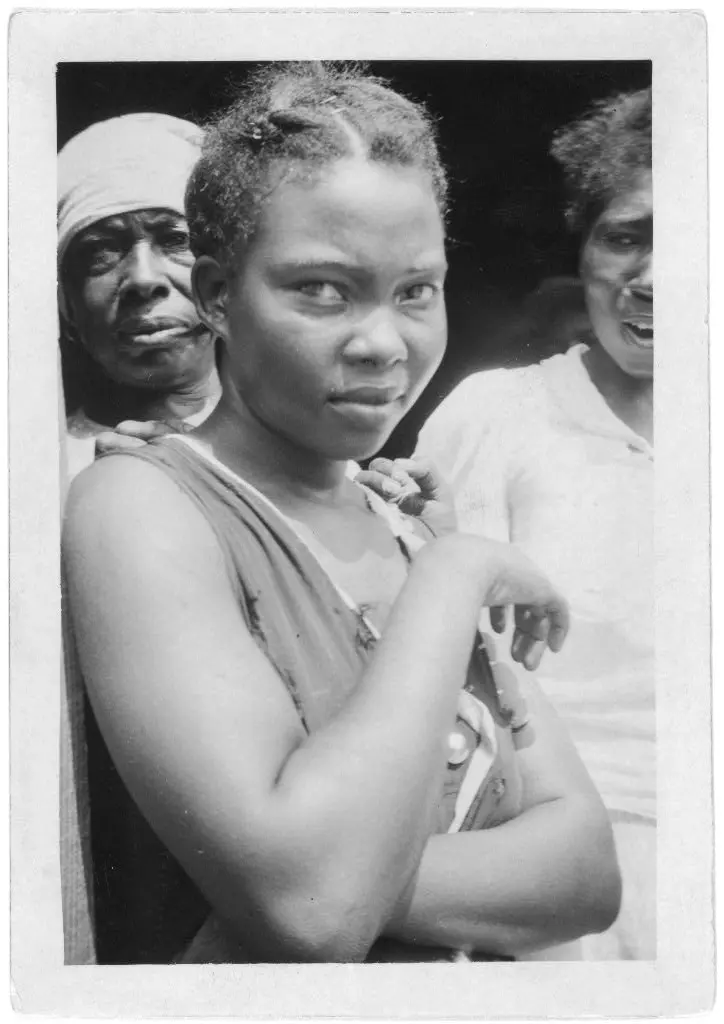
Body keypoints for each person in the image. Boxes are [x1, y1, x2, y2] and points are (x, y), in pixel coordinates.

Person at [61, 62, 620, 964]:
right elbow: (311, 911)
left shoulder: (402, 516)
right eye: (322, 288)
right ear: (214, 295)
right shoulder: (143, 506)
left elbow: (588, 876)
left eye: (414, 291)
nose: (381, 342)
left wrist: (329, 867)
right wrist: (455, 574)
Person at [385, 87, 653, 960]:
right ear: (582, 250)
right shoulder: (501, 415)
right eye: (625, 235)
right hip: (560, 873)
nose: (652, 275)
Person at [57, 112, 222, 478]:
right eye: (100, 253)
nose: (143, 279)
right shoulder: (33, 481)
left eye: (177, 240)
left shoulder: (300, 451)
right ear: (66, 303)